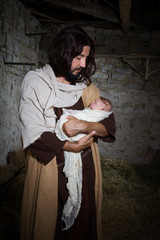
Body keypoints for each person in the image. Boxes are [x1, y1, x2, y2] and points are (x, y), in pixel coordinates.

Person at [19, 26, 116, 240]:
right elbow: (32, 129)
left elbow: (108, 126)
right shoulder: (37, 84)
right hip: (50, 171)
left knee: (82, 225)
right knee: (50, 226)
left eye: (86, 58)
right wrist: (69, 145)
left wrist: (81, 125)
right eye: (78, 57)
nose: (83, 64)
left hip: (85, 170)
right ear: (63, 52)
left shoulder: (87, 88)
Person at [55, 96, 113, 231]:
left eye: (96, 102)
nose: (92, 102)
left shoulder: (90, 93)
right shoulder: (44, 88)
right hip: (54, 157)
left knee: (83, 204)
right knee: (52, 207)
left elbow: (108, 126)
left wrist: (82, 125)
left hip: (83, 157)